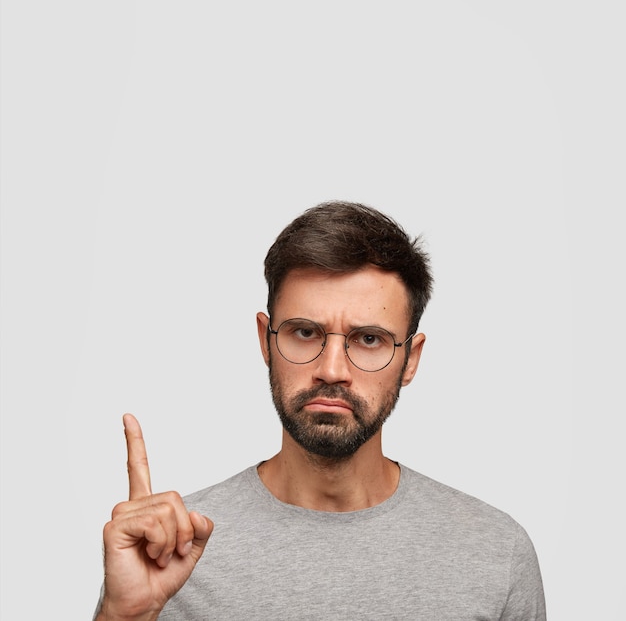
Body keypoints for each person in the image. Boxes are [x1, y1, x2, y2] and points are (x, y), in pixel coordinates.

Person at [94, 201, 546, 620]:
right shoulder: (169, 550)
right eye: (305, 333)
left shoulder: (494, 553)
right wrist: (121, 618)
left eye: (369, 339)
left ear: (410, 359)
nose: (332, 370)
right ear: (265, 341)